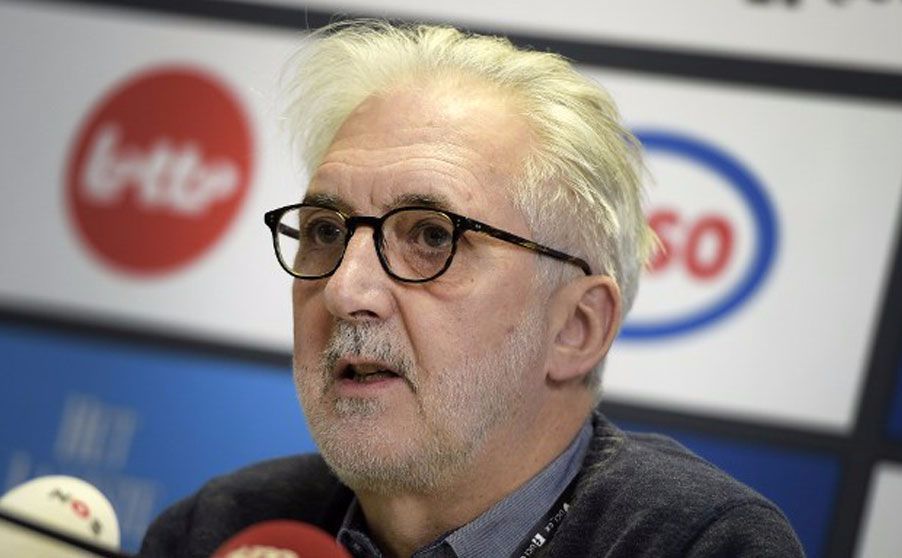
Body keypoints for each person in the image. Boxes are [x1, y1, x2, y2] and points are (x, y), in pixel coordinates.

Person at [140, 20, 805, 558]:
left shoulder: (699, 545)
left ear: (575, 328)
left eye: (432, 236)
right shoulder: (221, 530)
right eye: (324, 229)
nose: (346, 289)